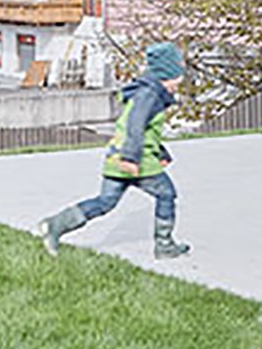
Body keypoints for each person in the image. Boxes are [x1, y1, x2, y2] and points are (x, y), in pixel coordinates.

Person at [39, 41, 192, 259]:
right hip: (136, 160)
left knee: (105, 202)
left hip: (117, 158)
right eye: (178, 77)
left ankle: (55, 225)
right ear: (167, 74)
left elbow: (145, 131)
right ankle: (164, 246)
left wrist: (161, 153)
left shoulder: (145, 92)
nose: (179, 82)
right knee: (166, 194)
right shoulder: (150, 96)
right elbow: (134, 125)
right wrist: (131, 158)